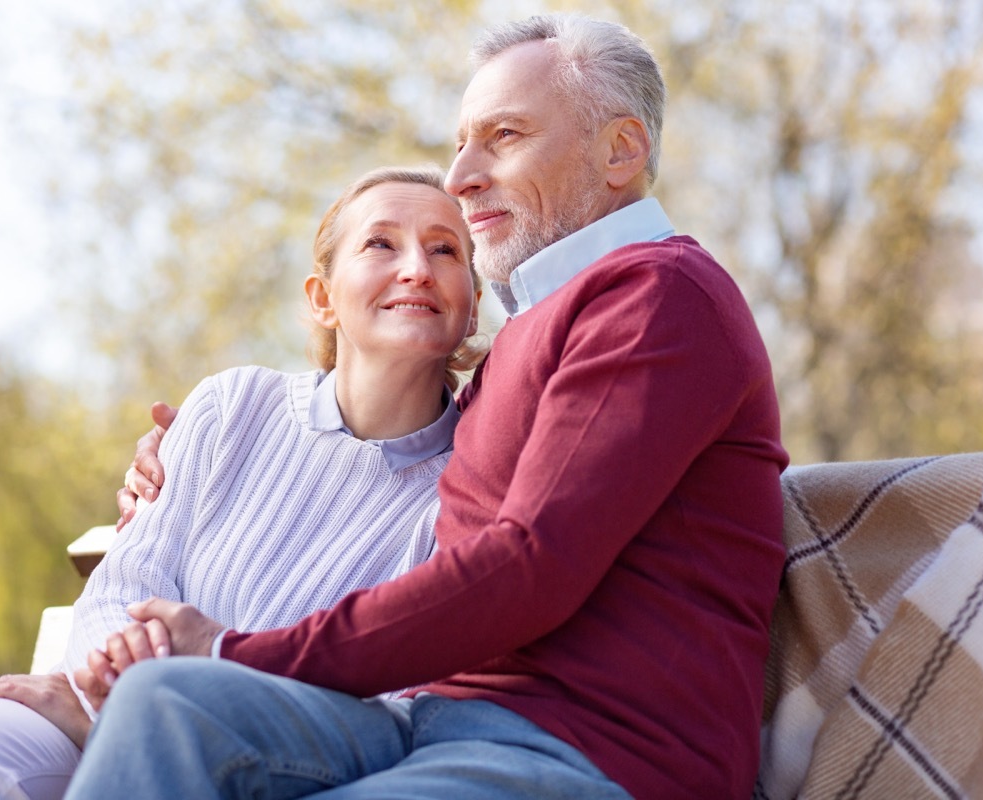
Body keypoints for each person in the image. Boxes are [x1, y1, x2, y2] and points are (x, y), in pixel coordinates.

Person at [66, 13, 788, 800]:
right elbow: (393, 455)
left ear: (621, 151)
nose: (461, 176)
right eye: (461, 144)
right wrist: (167, 463)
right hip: (430, 730)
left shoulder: (657, 296)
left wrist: (231, 653)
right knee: (163, 702)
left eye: (502, 137)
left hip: (585, 757)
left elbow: (528, 565)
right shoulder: (530, 334)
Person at [0, 165, 484, 800]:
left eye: (446, 249)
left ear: (470, 308)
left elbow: (394, 696)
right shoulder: (234, 405)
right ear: (322, 298)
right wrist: (115, 707)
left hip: (284, 764)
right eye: (381, 243)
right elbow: (123, 588)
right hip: (98, 706)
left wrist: (168, 719)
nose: (417, 267)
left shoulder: (473, 480)